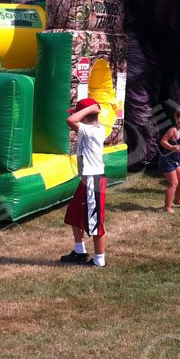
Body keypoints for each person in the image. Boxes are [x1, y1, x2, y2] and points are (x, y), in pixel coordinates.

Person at [60, 98, 107, 267]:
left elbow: (70, 121)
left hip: (93, 181)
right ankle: (80, 252)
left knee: (95, 222)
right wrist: (91, 111)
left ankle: (99, 260)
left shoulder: (91, 130)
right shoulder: (91, 128)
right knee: (74, 214)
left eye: (80, 115)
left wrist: (87, 110)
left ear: (85, 119)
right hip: (86, 181)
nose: (76, 118)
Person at [159, 107, 180, 213]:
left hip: (177, 161)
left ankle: (177, 200)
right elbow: (163, 141)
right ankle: (167, 207)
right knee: (174, 183)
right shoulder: (173, 130)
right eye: (178, 118)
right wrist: (171, 147)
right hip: (167, 160)